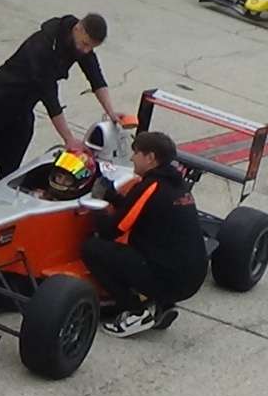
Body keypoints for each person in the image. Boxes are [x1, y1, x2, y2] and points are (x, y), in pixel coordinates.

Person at [0, 14, 118, 202]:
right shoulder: (43, 45)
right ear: (78, 28)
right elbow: (49, 97)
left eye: (91, 47)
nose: (85, 50)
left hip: (23, 109)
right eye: (85, 44)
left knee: (9, 168)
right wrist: (69, 139)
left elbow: (96, 77)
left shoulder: (79, 44)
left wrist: (111, 112)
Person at [81, 131, 208, 337]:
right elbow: (138, 208)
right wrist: (111, 195)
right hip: (192, 275)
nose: (132, 158)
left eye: (136, 153)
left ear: (150, 158)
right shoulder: (176, 184)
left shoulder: (151, 186)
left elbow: (111, 230)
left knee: (92, 248)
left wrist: (97, 208)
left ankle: (136, 311)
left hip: (170, 278)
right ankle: (159, 304)